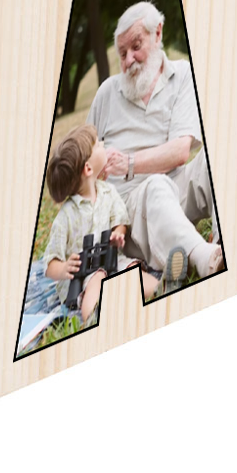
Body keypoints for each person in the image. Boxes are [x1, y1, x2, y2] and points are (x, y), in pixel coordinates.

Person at [90, 0, 223, 282]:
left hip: (175, 190)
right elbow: (83, 158)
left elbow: (181, 151)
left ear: (158, 33)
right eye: (122, 53)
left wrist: (128, 163)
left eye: (136, 46)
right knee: (156, 186)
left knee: (215, 155)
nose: (128, 60)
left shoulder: (183, 74)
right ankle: (206, 258)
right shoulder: (106, 94)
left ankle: (224, 240)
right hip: (130, 214)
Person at [42, 125, 162, 324]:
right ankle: (93, 316)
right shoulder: (66, 216)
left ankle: (161, 288)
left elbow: (120, 221)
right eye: (97, 144)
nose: (103, 144)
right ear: (88, 169)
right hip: (83, 275)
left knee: (132, 267)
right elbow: (49, 263)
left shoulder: (108, 192)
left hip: (111, 259)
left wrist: (118, 233)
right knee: (97, 277)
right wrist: (63, 268)